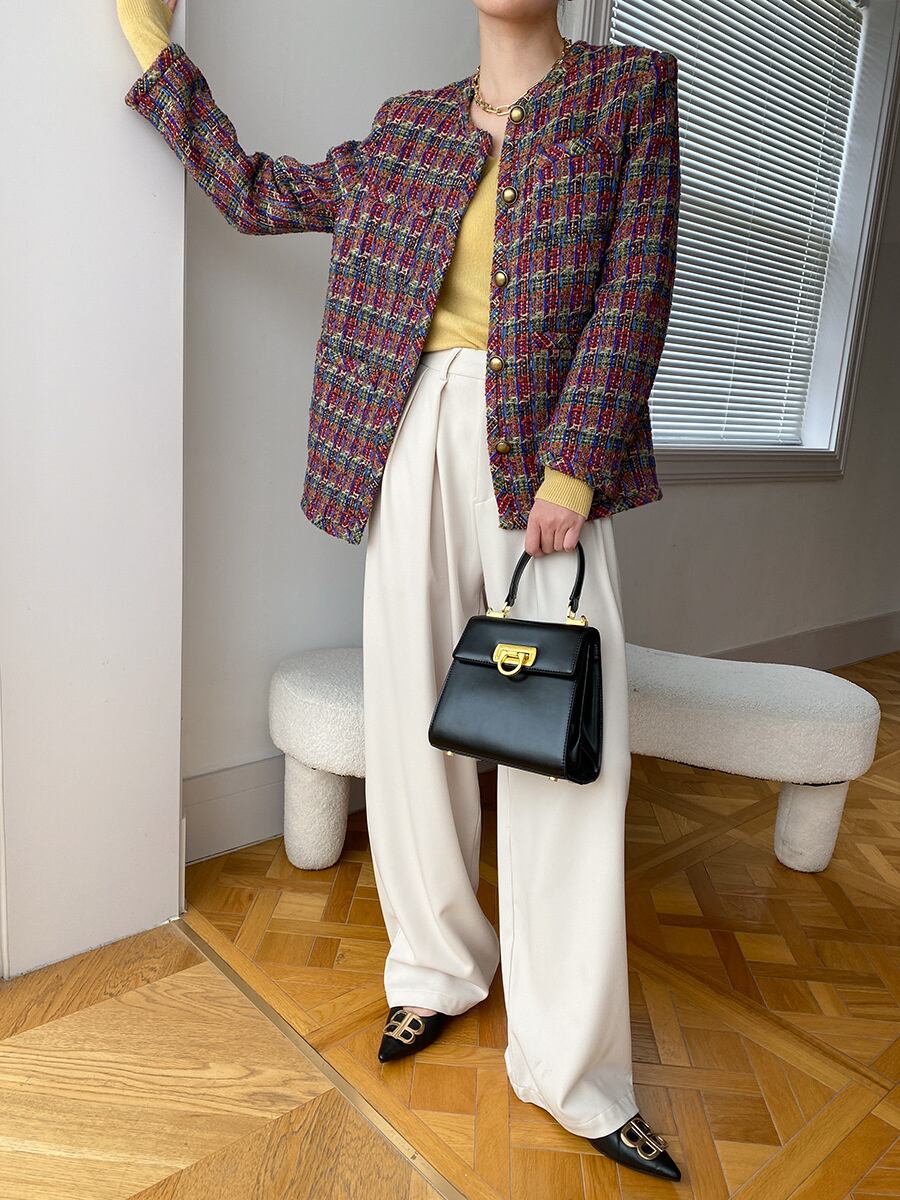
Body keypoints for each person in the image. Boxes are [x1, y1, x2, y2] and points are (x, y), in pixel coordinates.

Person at [117, 0, 682, 1181]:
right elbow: (260, 193)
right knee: (413, 725)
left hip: (547, 461)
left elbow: (636, 287)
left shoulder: (627, 93)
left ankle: (574, 1067)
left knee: (567, 752)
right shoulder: (409, 128)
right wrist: (153, 48)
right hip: (411, 436)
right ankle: (436, 970)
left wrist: (576, 463)